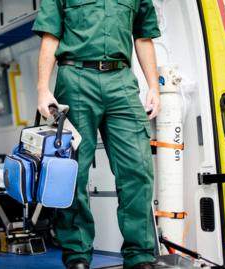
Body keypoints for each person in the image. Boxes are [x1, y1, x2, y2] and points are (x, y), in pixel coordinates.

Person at [33, 1, 161, 269]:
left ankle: (140, 256)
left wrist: (153, 87)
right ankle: (77, 252)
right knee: (72, 172)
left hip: (121, 81)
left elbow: (143, 36)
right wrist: (42, 88)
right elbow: (50, 36)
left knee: (138, 168)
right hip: (76, 76)